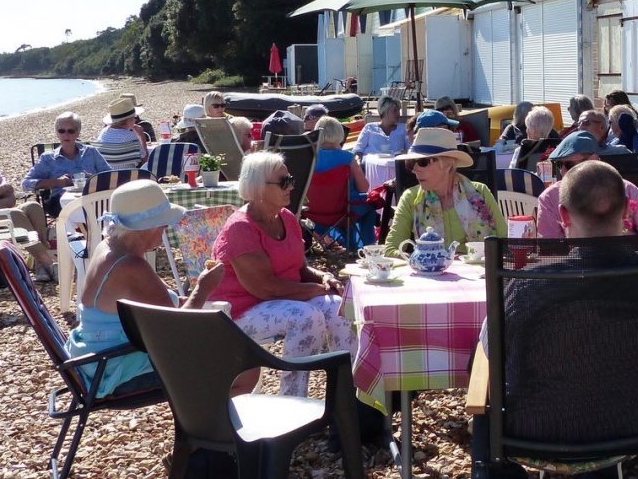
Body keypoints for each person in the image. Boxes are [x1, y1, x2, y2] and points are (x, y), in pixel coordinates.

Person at [470, 160, 638, 473]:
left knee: (482, 373)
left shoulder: (524, 282)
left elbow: (492, 349)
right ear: (628, 211)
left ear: (562, 216)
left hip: (533, 431)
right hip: (629, 429)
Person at [207, 151, 356, 397]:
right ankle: (293, 399)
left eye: (291, 180)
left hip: (281, 301)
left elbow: (299, 269)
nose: (291, 186)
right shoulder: (240, 229)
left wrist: (322, 278)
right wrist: (316, 289)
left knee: (339, 307)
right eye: (284, 182)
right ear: (257, 187)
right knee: (306, 316)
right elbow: (264, 289)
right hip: (237, 311)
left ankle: (347, 396)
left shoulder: (286, 218)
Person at [65, 180, 224, 396]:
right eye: (163, 223)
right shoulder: (131, 266)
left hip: (93, 358)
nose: (166, 228)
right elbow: (177, 330)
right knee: (234, 365)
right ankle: (207, 426)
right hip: (112, 369)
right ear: (145, 228)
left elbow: (149, 305)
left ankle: (205, 424)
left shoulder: (108, 247)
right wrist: (203, 288)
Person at [384, 128, 506, 257]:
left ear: (448, 163)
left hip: (480, 274)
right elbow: (390, 249)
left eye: (422, 162)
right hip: (430, 275)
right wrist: (416, 259)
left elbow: (505, 241)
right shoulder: (411, 198)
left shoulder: (480, 192)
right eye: (411, 163)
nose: (415, 170)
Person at [535, 132, 638, 238]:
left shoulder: (626, 189)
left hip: (631, 260)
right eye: (564, 165)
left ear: (596, 160)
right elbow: (550, 249)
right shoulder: (550, 198)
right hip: (579, 262)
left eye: (584, 162)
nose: (562, 171)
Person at [0, 130, 56, 280]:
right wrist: (2, 190)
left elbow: (11, 199)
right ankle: (48, 262)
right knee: (14, 215)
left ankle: (39, 262)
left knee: (33, 207)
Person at [21, 111, 111, 217]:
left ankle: (86, 229)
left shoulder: (90, 152)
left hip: (91, 197)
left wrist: (92, 178)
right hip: (61, 201)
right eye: (61, 131)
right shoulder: (48, 158)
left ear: (78, 133)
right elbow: (25, 184)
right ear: (57, 133)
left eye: (71, 131)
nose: (66, 135)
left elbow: (111, 175)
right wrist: (58, 182)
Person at [311, 116, 375, 247]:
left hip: (314, 211)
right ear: (340, 133)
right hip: (343, 210)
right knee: (370, 205)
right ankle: (369, 246)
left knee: (337, 201)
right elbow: (364, 188)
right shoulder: (348, 158)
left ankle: (324, 233)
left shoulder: (309, 158)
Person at [96, 97, 149, 166]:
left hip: (106, 175)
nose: (135, 120)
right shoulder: (129, 136)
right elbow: (144, 160)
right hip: (128, 175)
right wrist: (141, 135)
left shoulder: (103, 132)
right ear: (128, 121)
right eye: (134, 117)